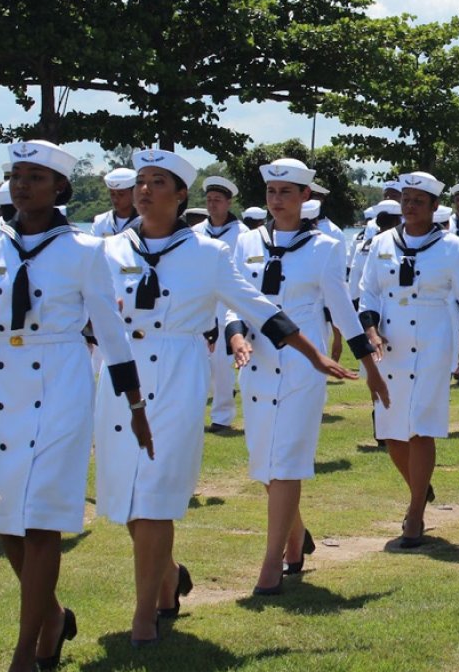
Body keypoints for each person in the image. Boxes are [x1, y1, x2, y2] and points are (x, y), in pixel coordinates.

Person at [93, 149, 357, 643]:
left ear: (179, 195)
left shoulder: (208, 255)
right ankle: (168, 577)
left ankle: (144, 613)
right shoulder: (107, 250)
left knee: (155, 497)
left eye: (157, 182)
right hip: (120, 376)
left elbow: (258, 308)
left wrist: (311, 352)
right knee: (126, 501)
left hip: (177, 374)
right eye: (140, 181)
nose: (144, 190)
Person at [0, 140, 149, 672]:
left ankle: (23, 656)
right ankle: (53, 616)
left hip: (61, 384)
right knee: (4, 519)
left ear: (59, 187)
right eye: (16, 175)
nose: (22, 184)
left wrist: (133, 399)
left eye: (35, 176)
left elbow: (110, 330)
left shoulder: (84, 249)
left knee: (44, 519)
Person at [227, 158, 388, 594]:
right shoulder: (245, 242)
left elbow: (342, 310)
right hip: (256, 364)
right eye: (272, 192)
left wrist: (368, 365)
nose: (277, 200)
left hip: (303, 364)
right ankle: (295, 537)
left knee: (287, 462)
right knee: (264, 464)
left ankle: (270, 562)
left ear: (305, 198)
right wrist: (236, 335)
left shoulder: (324, 248)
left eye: (287, 193)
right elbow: (233, 298)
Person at [359, 172, 459, 548]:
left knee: (421, 425)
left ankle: (415, 512)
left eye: (418, 200)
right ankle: (420, 486)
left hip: (434, 342)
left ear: (435, 207)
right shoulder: (382, 242)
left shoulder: (453, 248)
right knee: (390, 431)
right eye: (406, 199)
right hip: (389, 345)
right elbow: (368, 295)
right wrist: (370, 332)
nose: (409, 205)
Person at [192, 176, 248, 434]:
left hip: (228, 301)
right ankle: (193, 409)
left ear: (228, 202)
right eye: (209, 200)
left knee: (222, 362)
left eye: (217, 200)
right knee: (197, 358)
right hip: (202, 300)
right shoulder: (196, 232)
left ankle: (222, 415)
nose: (212, 205)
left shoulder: (243, 234)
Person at [91, 167, 139, 237]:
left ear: (134, 193)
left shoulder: (144, 222)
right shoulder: (101, 221)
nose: (115, 199)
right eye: (112, 194)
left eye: (121, 194)